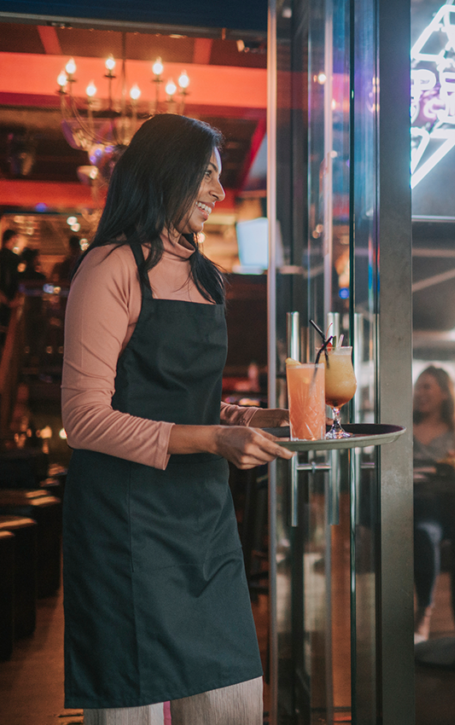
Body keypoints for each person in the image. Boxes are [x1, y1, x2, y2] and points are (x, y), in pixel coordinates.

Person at [61, 115, 294, 724]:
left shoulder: (206, 276)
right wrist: (215, 437)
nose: (219, 192)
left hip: (204, 522)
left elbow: (186, 401)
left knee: (233, 700)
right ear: (168, 171)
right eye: (208, 175)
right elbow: (84, 419)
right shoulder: (110, 268)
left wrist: (269, 418)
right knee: (130, 709)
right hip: (124, 522)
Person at [412, 366, 455, 643]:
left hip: (440, 507)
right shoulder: (404, 425)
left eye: (427, 387)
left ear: (444, 393)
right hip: (402, 502)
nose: (420, 393)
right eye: (418, 386)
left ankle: (425, 613)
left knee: (423, 533)